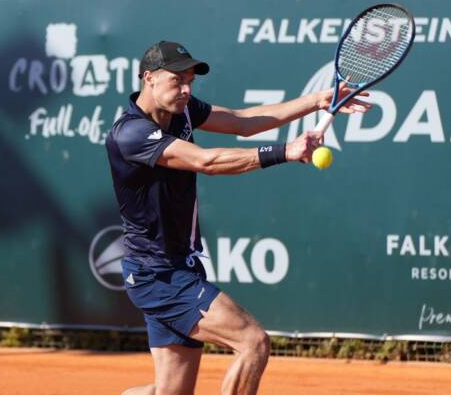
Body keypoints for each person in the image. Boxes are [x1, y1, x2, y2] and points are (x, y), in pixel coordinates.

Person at [106, 41, 370, 395]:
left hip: (176, 266)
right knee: (252, 342)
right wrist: (285, 151)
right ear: (148, 78)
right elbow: (206, 161)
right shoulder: (130, 133)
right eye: (177, 80)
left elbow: (242, 121)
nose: (186, 90)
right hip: (158, 274)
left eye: (190, 81)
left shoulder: (182, 111)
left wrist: (317, 100)